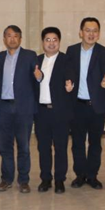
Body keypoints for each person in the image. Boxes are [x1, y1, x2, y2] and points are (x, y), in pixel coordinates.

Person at [66, 17, 105, 189]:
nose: (91, 34)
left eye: (95, 31)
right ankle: (80, 175)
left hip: (96, 106)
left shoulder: (104, 52)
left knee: (95, 143)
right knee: (77, 143)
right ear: (81, 33)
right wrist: (67, 83)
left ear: (98, 34)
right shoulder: (71, 51)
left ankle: (92, 176)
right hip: (77, 105)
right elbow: (68, 71)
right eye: (88, 30)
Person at [0, 25, 40, 194]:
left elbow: (38, 77)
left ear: (20, 38)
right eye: (8, 36)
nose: (12, 39)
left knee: (23, 146)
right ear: (4, 39)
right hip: (3, 107)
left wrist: (39, 77)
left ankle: (24, 180)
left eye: (15, 36)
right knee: (4, 146)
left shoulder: (30, 56)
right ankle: (6, 179)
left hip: (23, 108)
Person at [34, 27, 77, 193]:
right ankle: (45, 179)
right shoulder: (37, 60)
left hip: (60, 112)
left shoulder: (66, 60)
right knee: (43, 147)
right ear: (42, 42)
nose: (51, 43)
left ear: (59, 42)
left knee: (60, 147)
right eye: (48, 40)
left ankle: (60, 179)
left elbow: (71, 76)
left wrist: (70, 85)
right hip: (41, 112)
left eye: (55, 40)